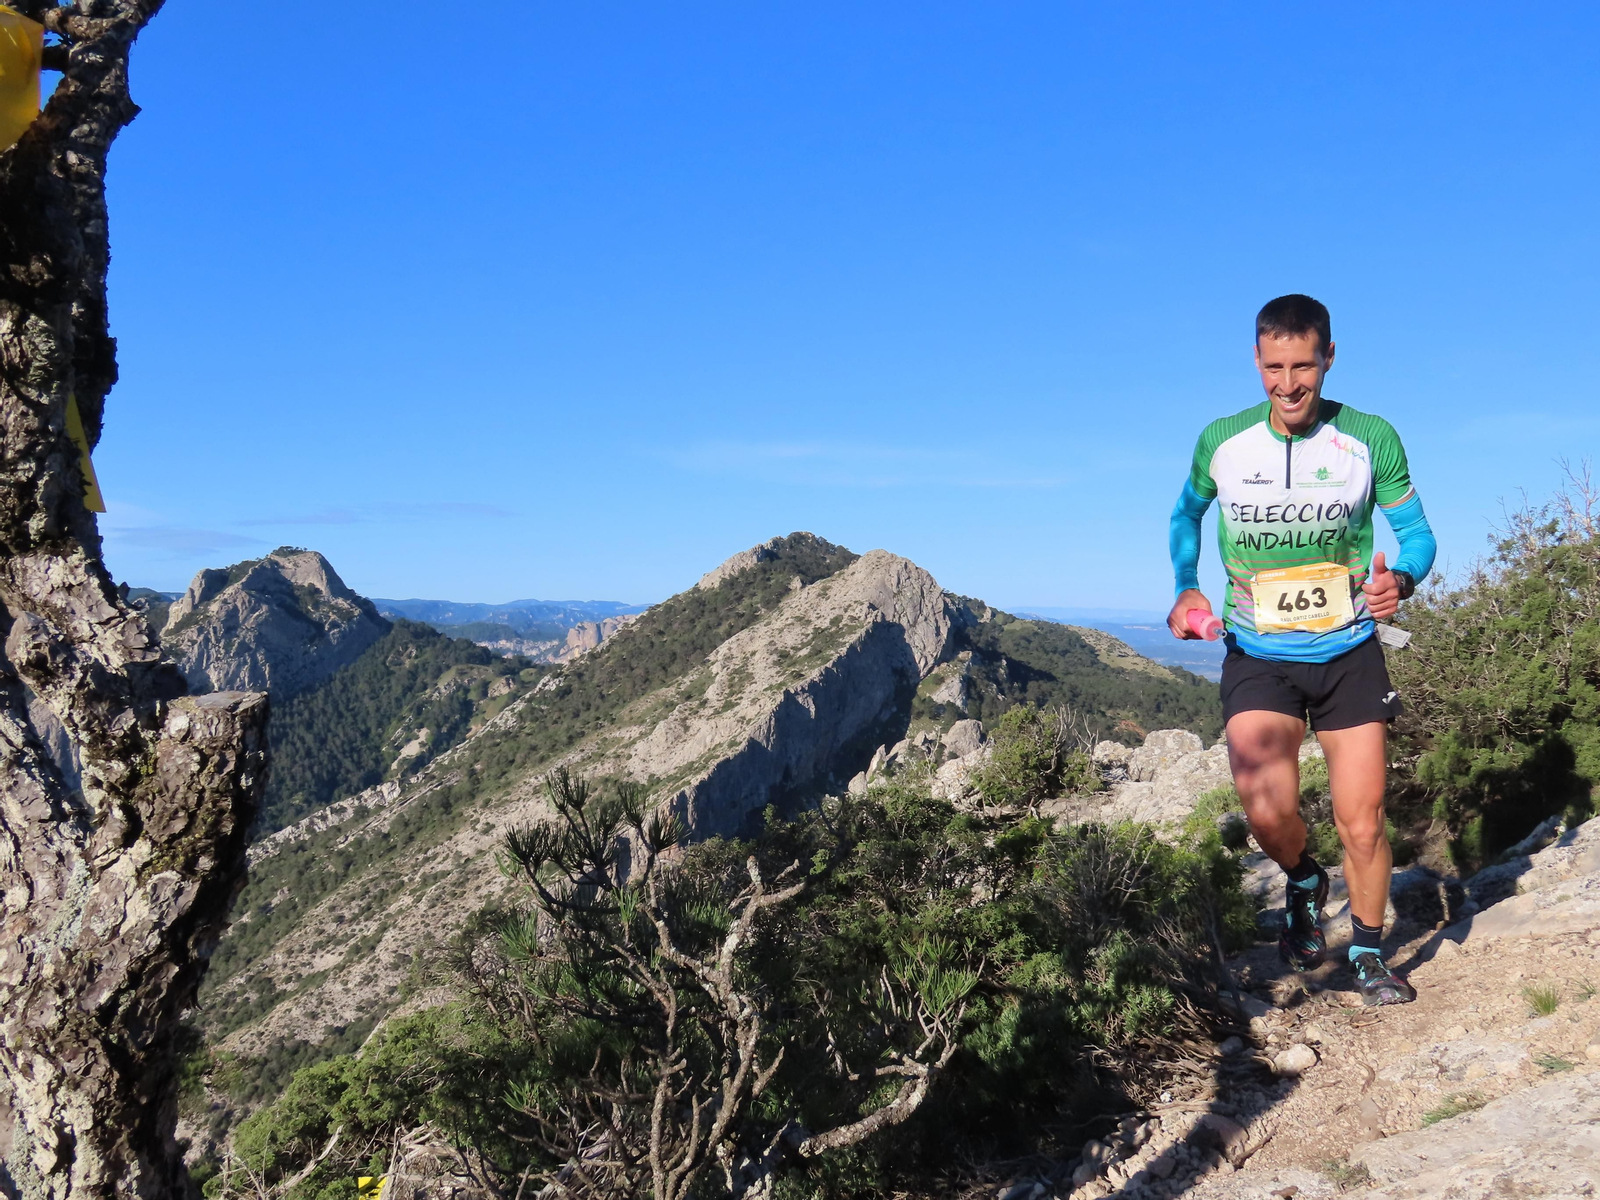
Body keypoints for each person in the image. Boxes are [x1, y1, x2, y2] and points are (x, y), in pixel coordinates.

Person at [1166, 294, 1437, 1006]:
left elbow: (1418, 537)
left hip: (1348, 652)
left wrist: (1400, 581)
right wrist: (1185, 586)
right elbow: (1187, 513)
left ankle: (1370, 952)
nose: (1288, 384)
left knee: (1362, 817)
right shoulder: (1222, 441)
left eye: (1303, 366)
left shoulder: (1370, 438)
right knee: (1265, 806)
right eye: (1273, 367)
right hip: (1258, 652)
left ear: (1329, 358)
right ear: (1256, 362)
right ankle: (1306, 878)